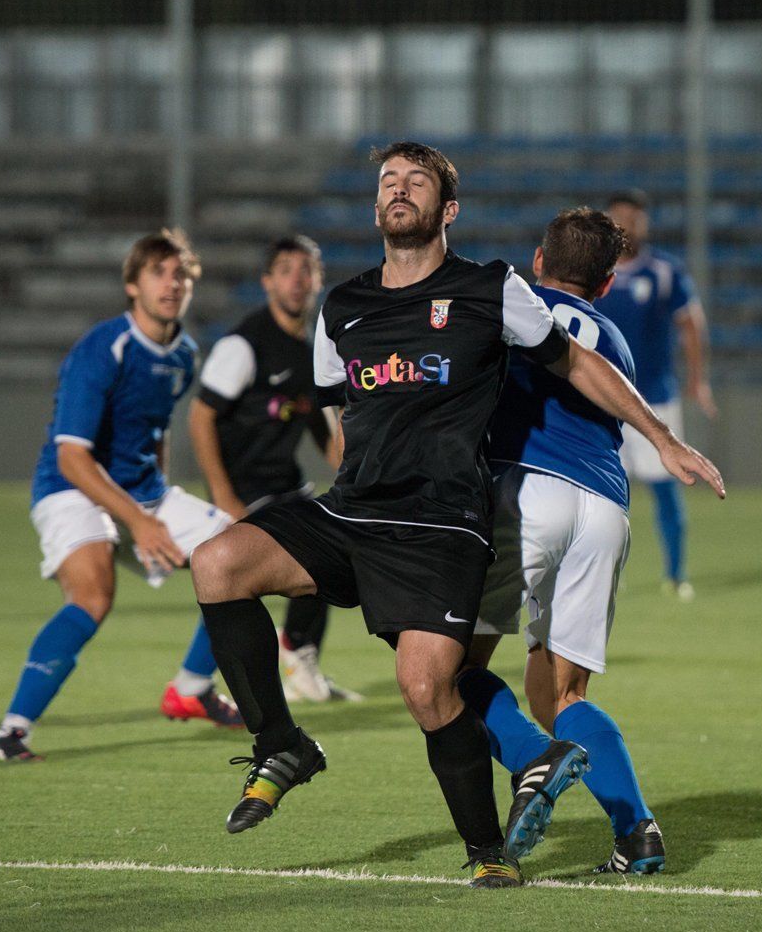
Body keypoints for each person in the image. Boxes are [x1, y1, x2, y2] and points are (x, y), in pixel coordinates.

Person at [189, 143, 724, 889]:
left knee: (436, 684)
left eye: (417, 181)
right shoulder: (342, 305)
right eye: (387, 181)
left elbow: (567, 359)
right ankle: (283, 743)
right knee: (217, 562)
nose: (398, 190)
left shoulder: (491, 288)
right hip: (422, 508)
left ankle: (501, 823)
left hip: (460, 514)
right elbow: (341, 412)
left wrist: (663, 437)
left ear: (450, 210)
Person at [461, 207, 680, 876]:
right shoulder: (614, 338)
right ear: (607, 283)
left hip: (526, 493)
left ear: (537, 260)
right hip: (605, 507)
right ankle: (636, 833)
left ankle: (535, 760)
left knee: (448, 672)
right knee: (560, 695)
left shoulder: (510, 308)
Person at [0, 229, 241, 763]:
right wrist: (141, 525)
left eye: (181, 275)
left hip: (143, 494)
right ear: (132, 284)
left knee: (242, 554)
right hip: (71, 489)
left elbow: (157, 428)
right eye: (158, 273)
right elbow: (72, 456)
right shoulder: (103, 348)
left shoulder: (185, 354)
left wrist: (158, 500)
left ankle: (192, 688)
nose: (171, 284)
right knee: (94, 596)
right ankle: (10, 733)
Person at [163, 234, 358, 719]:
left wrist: (359, 476)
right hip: (247, 491)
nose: (298, 279)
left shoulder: (312, 350)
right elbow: (200, 418)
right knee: (248, 575)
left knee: (334, 535)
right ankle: (211, 679)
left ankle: (296, 656)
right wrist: (225, 497)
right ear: (267, 281)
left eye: (307, 269)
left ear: (318, 280)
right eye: (287, 269)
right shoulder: (244, 344)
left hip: (284, 486)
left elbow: (323, 430)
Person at [597, 189, 717, 600]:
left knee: (666, 486)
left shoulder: (666, 271)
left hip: (655, 400)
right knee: (603, 492)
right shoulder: (594, 270)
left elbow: (691, 324)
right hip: (601, 401)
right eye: (619, 216)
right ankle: (605, 570)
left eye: (635, 216)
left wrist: (698, 379)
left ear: (646, 222)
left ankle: (675, 574)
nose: (627, 224)